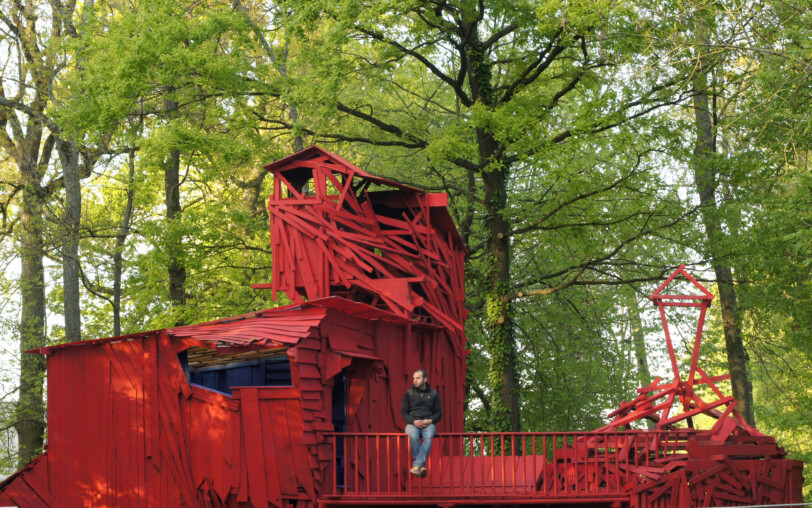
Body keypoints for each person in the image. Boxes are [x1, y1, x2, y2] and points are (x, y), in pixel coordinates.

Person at [400, 369, 442, 477]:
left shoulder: (433, 394)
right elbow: (403, 412)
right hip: (412, 423)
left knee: (428, 436)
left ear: (425, 379)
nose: (415, 380)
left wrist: (430, 421)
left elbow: (439, 413)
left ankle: (416, 466)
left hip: (428, 423)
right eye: (414, 378)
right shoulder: (408, 394)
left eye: (418, 378)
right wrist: (413, 421)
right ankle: (421, 466)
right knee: (413, 436)